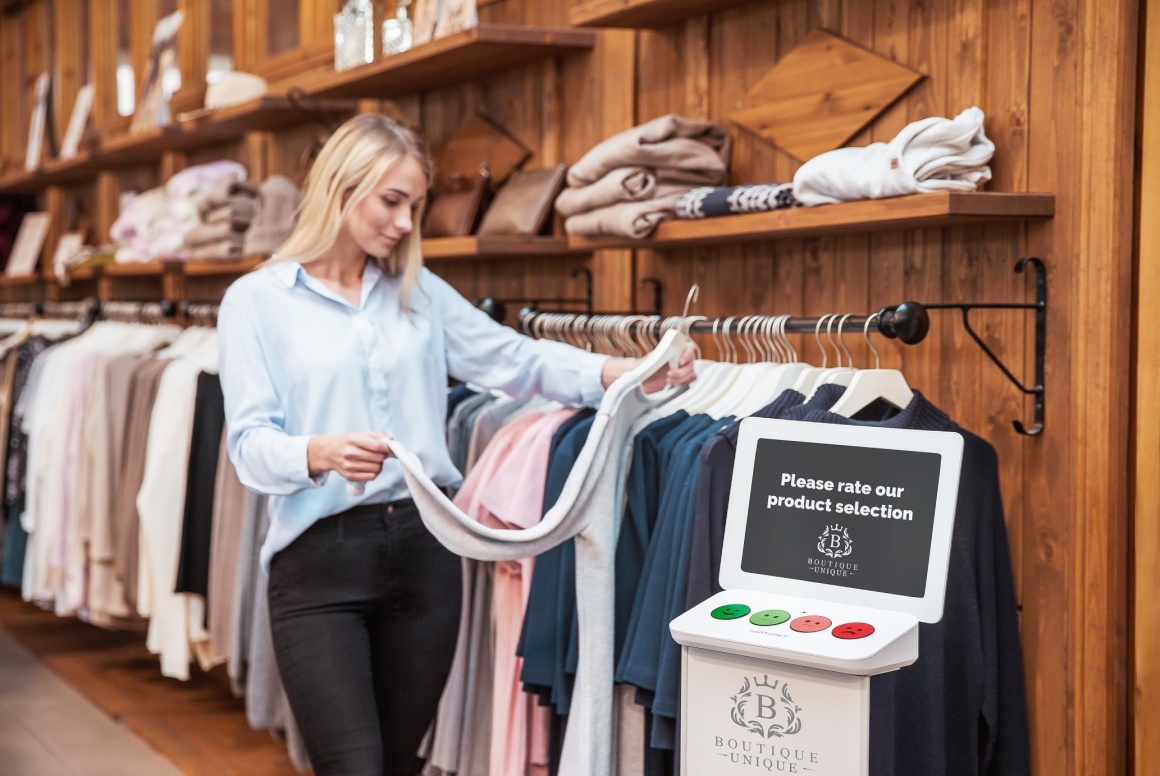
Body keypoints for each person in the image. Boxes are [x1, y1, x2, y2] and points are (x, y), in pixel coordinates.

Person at [217, 113, 697, 776]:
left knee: (400, 763)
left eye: (414, 205)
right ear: (341, 185)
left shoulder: (416, 294)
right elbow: (248, 445)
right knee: (353, 766)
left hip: (425, 551)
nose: (405, 223)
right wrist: (319, 452)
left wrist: (627, 373)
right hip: (318, 564)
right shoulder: (256, 302)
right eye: (392, 201)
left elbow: (514, 361)